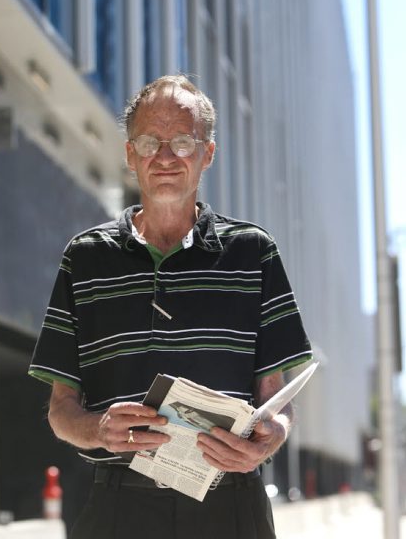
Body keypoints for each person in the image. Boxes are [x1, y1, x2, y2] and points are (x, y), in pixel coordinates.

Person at [29, 74, 312, 538]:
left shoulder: (253, 252)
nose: (164, 156)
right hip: (115, 508)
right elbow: (61, 410)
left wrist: (270, 438)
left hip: (231, 507)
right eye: (148, 141)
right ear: (129, 154)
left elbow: (275, 402)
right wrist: (98, 429)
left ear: (208, 154)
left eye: (182, 141)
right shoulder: (84, 258)